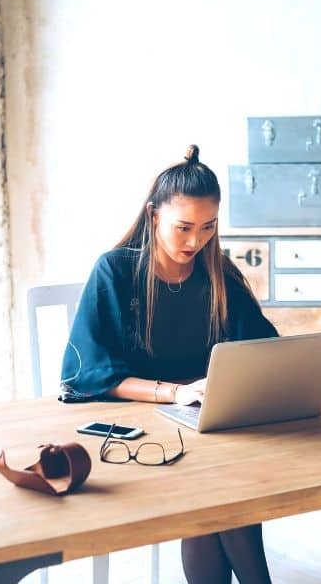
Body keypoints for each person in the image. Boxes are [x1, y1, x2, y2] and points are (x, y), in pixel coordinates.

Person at [60, 144, 276, 584]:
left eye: (208, 227)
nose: (196, 241)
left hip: (205, 427)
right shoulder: (115, 272)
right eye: (183, 228)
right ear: (154, 215)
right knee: (219, 489)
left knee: (220, 483)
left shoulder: (219, 273)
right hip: (136, 437)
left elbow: (263, 348)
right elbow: (88, 375)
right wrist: (174, 393)